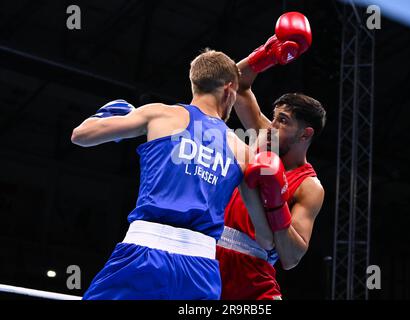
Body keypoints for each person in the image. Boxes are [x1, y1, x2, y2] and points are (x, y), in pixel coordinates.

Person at [71, 49, 271, 300]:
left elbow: (80, 136)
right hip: (201, 270)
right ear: (230, 89)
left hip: (143, 255)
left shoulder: (159, 114)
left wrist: (109, 113)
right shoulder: (243, 151)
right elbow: (264, 236)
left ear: (194, 83)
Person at [216, 12, 327, 300]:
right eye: (274, 117)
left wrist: (276, 201)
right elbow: (236, 85)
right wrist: (267, 55)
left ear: (306, 134)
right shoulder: (267, 136)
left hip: (254, 272)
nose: (272, 126)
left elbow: (291, 258)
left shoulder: (309, 187)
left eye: (283, 121)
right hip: (207, 257)